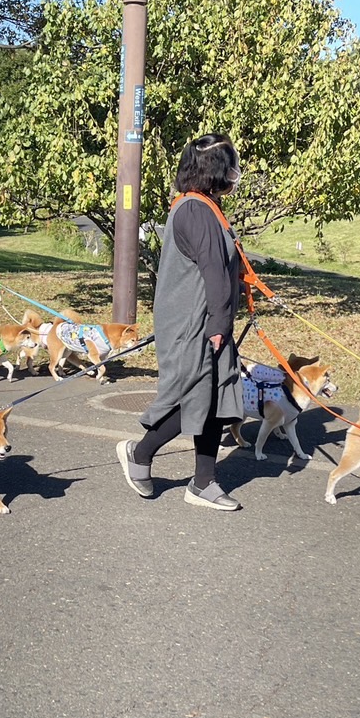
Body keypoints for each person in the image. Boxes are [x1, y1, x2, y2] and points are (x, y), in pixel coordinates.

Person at [116, 133, 246, 510]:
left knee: (216, 397)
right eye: (231, 165)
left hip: (206, 319)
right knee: (192, 396)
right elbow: (213, 275)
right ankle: (140, 454)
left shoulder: (204, 207)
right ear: (216, 169)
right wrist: (220, 325)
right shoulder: (195, 210)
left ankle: (204, 482)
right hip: (195, 323)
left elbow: (222, 269)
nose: (236, 173)